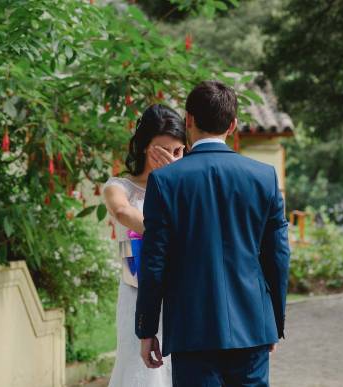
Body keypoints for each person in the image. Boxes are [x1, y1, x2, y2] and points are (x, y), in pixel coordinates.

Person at [136, 81, 291, 387]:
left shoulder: (165, 181)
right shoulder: (264, 177)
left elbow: (154, 262)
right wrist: (273, 321)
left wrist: (147, 329)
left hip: (192, 328)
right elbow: (278, 255)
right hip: (252, 324)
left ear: (188, 119)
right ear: (233, 125)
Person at [103, 104, 185, 387]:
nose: (170, 159)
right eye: (161, 151)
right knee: (139, 369)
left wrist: (178, 177)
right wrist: (171, 229)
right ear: (143, 147)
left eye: (177, 152)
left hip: (178, 290)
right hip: (136, 288)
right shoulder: (120, 187)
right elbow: (124, 213)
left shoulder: (186, 185)